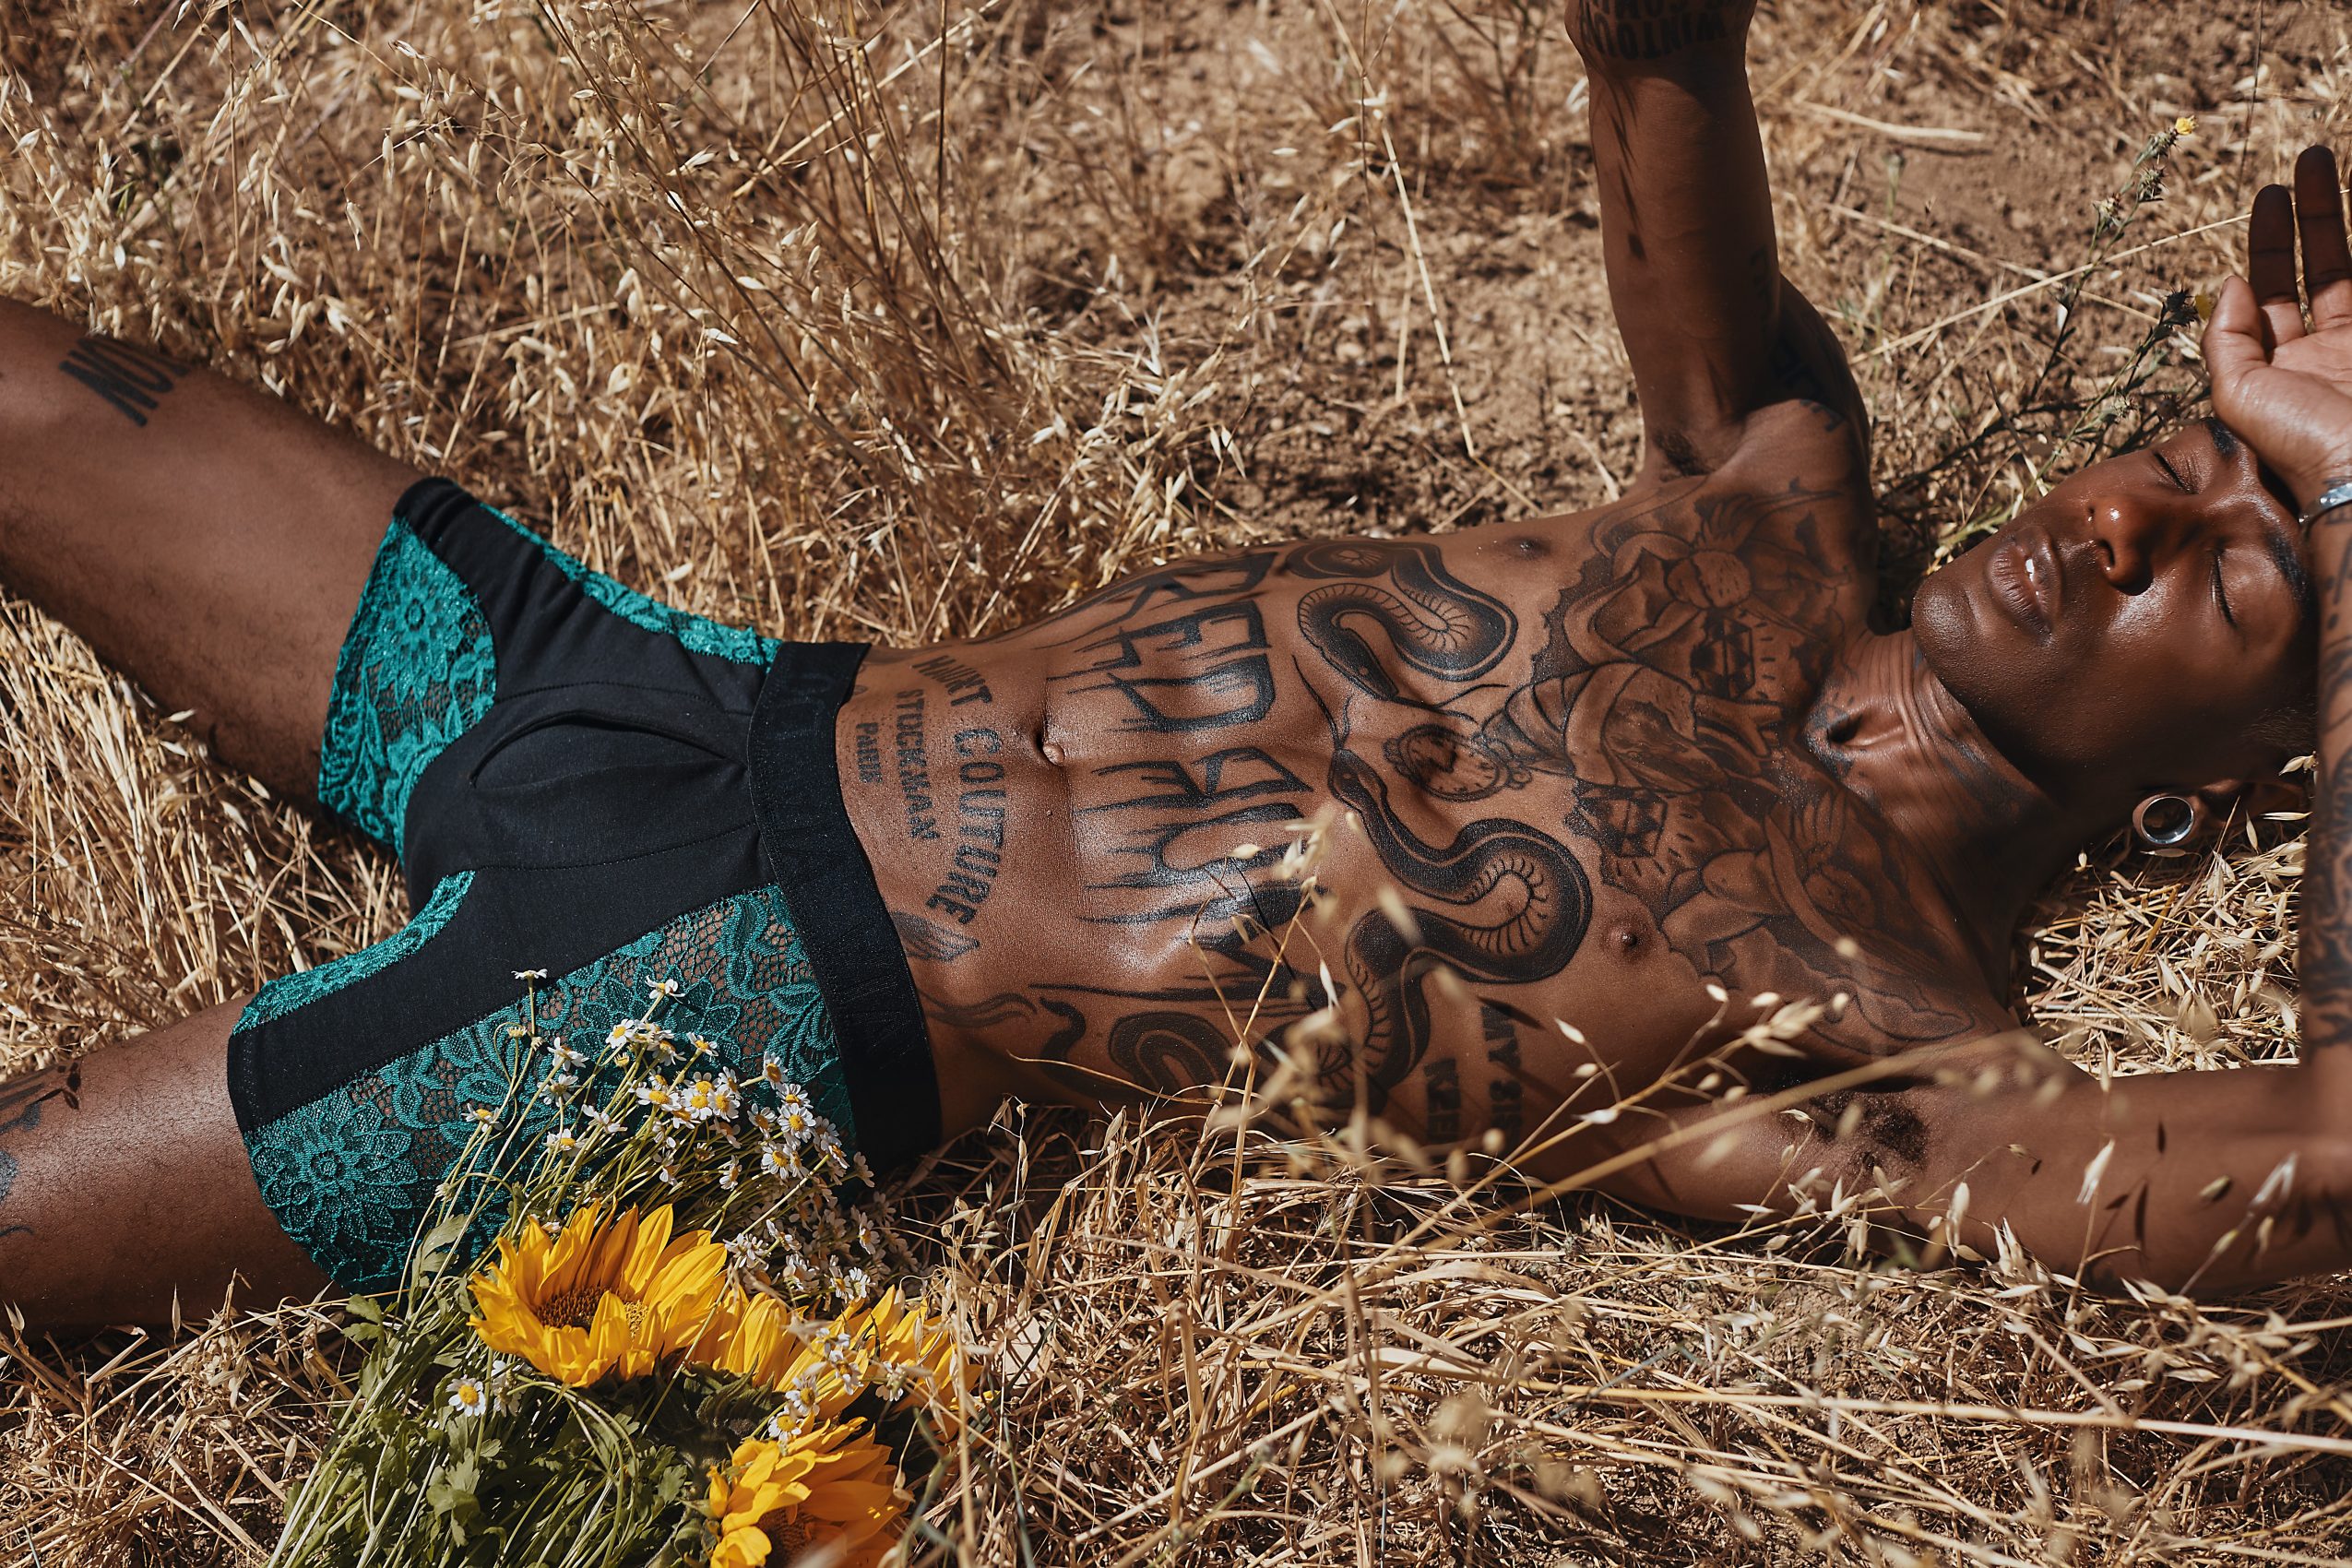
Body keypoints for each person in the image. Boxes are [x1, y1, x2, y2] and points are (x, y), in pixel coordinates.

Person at [4, 0, 2352, 1328]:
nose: (2122, 524)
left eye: (2229, 586)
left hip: (720, 1009)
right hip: (675, 688)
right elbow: (1658, 49)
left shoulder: (1883, 1034)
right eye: (2174, 459)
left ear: (2244, 786)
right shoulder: (1770, 492)